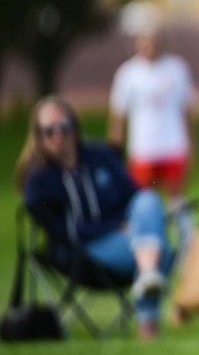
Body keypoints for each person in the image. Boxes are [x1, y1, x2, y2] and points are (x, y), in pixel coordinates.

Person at [17, 95, 173, 340]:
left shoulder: (101, 157)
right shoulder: (39, 180)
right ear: (38, 136)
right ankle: (148, 319)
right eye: (49, 131)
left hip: (126, 236)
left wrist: (130, 226)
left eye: (64, 127)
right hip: (79, 252)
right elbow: (61, 229)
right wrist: (113, 227)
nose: (59, 136)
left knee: (149, 199)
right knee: (159, 248)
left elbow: (132, 196)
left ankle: (147, 272)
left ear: (75, 127)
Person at [108, 2, 195, 200]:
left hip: (173, 146)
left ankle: (186, 232)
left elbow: (187, 112)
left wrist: (191, 148)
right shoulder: (128, 74)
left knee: (178, 199)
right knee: (143, 200)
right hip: (143, 149)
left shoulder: (177, 69)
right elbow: (118, 117)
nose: (150, 45)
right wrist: (114, 156)